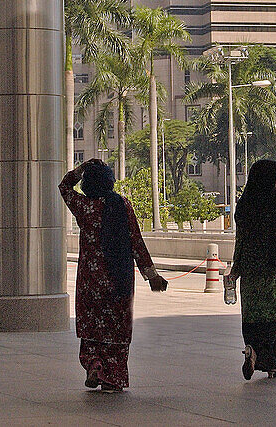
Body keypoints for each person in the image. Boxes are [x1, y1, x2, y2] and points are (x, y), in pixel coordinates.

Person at [60, 158, 168, 393]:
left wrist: (81, 168)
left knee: (92, 331)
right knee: (116, 332)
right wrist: (151, 275)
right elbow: (136, 242)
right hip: (118, 282)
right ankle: (112, 379)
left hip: (90, 282)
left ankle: (95, 364)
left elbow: (64, 187)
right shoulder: (122, 205)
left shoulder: (84, 206)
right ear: (110, 181)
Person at [224, 159, 276, 380]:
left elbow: (240, 240)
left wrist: (236, 268)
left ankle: (266, 360)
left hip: (249, 269)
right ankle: (256, 351)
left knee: (253, 316)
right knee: (273, 316)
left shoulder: (244, 203)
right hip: (271, 267)